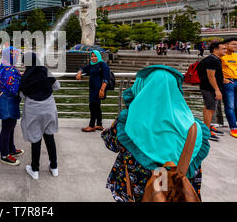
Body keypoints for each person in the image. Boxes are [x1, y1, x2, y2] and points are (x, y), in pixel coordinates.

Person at [101, 65, 210, 202]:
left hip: (135, 193)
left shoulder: (128, 122)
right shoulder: (194, 127)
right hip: (178, 194)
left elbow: (111, 143)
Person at [19, 52, 59, 179]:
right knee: (49, 137)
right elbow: (56, 86)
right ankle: (54, 167)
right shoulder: (45, 71)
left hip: (33, 110)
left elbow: (22, 96)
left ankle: (35, 170)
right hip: (49, 108)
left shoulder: (25, 77)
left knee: (36, 139)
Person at [0, 46, 24, 166]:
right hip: (9, 102)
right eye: (15, 55)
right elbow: (14, 89)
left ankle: (11, 149)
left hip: (4, 101)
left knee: (10, 126)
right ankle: (4, 155)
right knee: (7, 128)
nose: (17, 57)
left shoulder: (4, 66)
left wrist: (19, 75)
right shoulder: (11, 70)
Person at [197, 41, 227, 142]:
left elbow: (214, 75)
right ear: (215, 50)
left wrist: (223, 80)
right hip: (209, 88)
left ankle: (208, 127)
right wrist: (217, 90)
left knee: (209, 107)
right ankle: (207, 132)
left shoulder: (215, 59)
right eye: (223, 49)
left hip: (210, 87)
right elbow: (210, 76)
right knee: (210, 108)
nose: (225, 51)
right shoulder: (212, 60)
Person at [76, 50, 111, 132]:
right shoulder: (92, 65)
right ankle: (99, 124)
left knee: (92, 106)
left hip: (99, 89)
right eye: (92, 56)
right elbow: (84, 68)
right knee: (97, 106)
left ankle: (91, 126)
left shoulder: (102, 64)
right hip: (93, 89)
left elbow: (106, 78)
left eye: (95, 56)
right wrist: (79, 72)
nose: (93, 58)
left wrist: (102, 89)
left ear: (98, 56)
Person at [220, 38, 237, 138]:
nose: (235, 46)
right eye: (233, 44)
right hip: (228, 83)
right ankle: (233, 128)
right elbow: (216, 69)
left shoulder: (236, 56)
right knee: (230, 106)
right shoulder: (222, 56)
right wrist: (222, 79)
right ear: (226, 45)